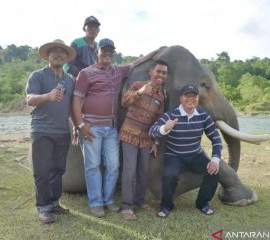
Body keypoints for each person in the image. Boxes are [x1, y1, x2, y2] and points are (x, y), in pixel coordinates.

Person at [72, 38, 163, 217]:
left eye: (110, 51)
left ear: (113, 53)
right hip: (92, 127)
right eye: (104, 50)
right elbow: (77, 99)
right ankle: (96, 203)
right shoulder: (86, 73)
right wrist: (80, 125)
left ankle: (109, 200)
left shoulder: (117, 71)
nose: (107, 54)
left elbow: (136, 62)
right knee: (93, 165)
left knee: (113, 165)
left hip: (111, 127)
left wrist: (157, 51)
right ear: (97, 52)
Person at [149, 84, 222, 218]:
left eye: (193, 96)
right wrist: (165, 128)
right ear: (180, 98)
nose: (190, 99)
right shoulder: (171, 115)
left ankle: (202, 203)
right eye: (187, 96)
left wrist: (215, 159)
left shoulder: (203, 115)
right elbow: (152, 131)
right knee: (169, 176)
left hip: (195, 155)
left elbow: (216, 138)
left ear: (197, 98)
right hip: (174, 156)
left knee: (214, 172)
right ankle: (166, 205)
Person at [26, 39, 77, 223]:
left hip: (62, 131)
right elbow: (29, 99)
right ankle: (43, 207)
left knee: (58, 169)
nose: (58, 54)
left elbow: (72, 106)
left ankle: (54, 203)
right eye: (54, 51)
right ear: (48, 55)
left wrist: (77, 127)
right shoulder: (37, 76)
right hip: (41, 130)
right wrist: (48, 96)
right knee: (42, 170)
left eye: (62, 52)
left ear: (66, 57)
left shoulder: (70, 80)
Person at [119, 60, 168, 220]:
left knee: (144, 171)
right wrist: (140, 92)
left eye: (164, 73)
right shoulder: (137, 85)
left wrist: (155, 141)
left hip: (146, 139)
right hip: (129, 135)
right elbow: (124, 102)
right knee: (129, 171)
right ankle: (126, 206)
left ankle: (139, 200)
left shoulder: (161, 96)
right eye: (158, 71)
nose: (160, 75)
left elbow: (158, 120)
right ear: (151, 72)